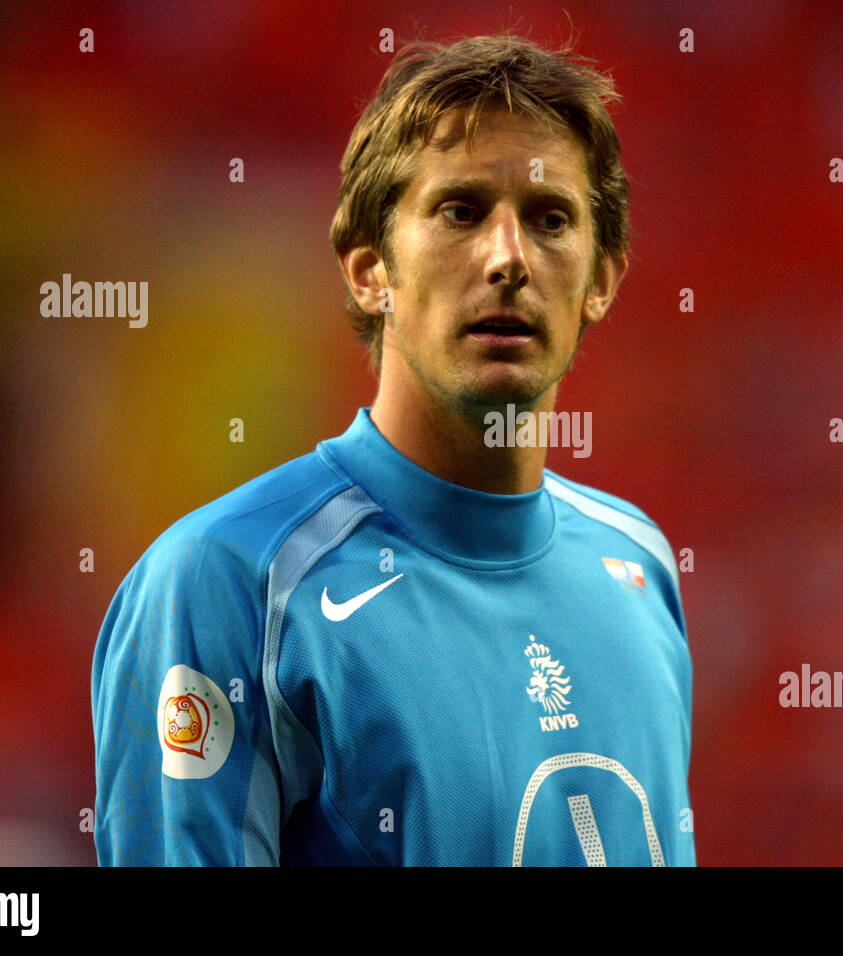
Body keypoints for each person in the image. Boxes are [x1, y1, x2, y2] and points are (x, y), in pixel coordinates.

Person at [91, 33, 695, 866]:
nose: (509, 258)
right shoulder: (226, 582)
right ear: (370, 271)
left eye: (550, 219)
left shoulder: (640, 567)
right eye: (461, 211)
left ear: (602, 279)